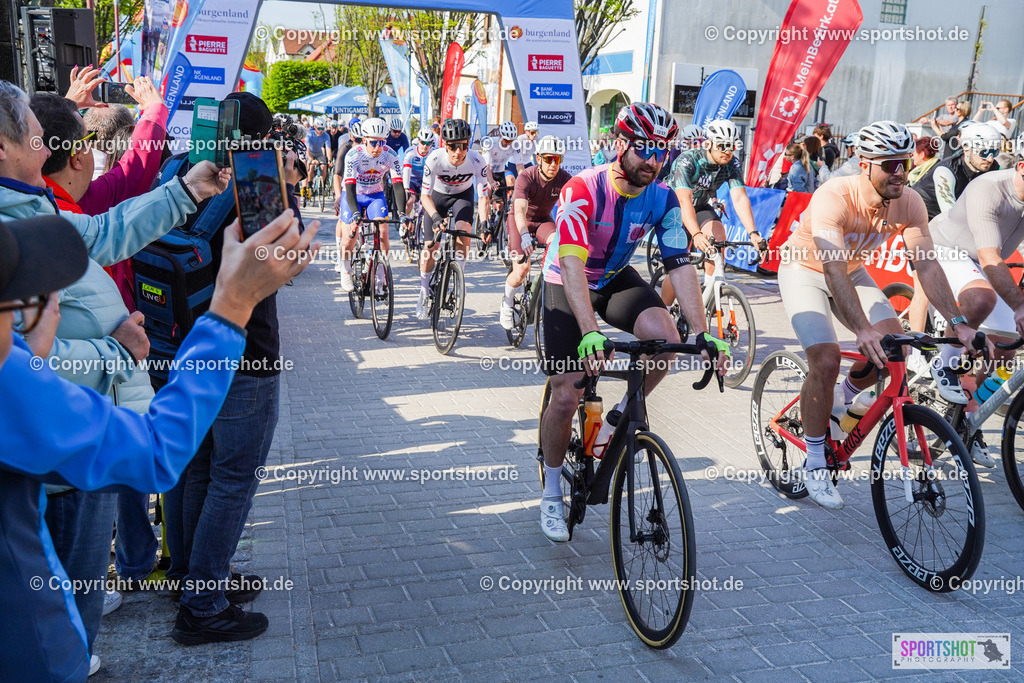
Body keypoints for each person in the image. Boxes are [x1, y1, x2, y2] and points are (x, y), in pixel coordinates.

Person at [0, 204, 318, 680]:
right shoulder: (14, 389)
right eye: (29, 297)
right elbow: (155, 453)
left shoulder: (17, 378)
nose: (53, 306)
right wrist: (232, 305)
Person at [537, 102, 728, 541]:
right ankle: (550, 493)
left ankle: (618, 417)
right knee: (567, 394)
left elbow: (679, 264)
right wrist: (590, 331)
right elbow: (571, 264)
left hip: (612, 277)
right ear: (621, 145)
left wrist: (703, 333)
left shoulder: (662, 197)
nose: (655, 161)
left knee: (665, 339)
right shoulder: (583, 189)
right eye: (645, 148)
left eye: (663, 151)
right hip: (566, 279)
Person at [160, 92, 309, 646]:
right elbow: (285, 260)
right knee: (233, 478)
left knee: (196, 466)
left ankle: (192, 576)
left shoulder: (178, 168)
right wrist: (285, 184)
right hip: (244, 347)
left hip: (181, 343)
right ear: (264, 137)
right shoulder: (256, 177)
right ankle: (203, 605)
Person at [777, 120, 987, 509]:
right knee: (826, 358)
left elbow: (926, 265)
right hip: (804, 270)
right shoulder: (834, 195)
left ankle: (842, 398)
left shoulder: (909, 201)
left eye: (904, 163)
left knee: (895, 350)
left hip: (852, 271)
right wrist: (861, 329)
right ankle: (816, 460)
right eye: (889, 165)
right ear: (865, 164)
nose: (900, 173)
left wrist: (959, 324)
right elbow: (832, 270)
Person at [922, 134, 1024, 465]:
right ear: (1022, 167)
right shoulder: (989, 188)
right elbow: (990, 257)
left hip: (981, 259)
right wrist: (1019, 305)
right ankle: (943, 363)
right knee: (981, 299)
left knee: (1008, 349)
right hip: (944, 248)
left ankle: (968, 418)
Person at [660, 118, 767, 306]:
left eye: (732, 146)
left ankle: (710, 296)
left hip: (700, 206)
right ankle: (664, 311)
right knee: (680, 266)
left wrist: (753, 233)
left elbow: (740, 198)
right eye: (722, 146)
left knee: (717, 240)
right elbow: (684, 201)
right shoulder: (688, 160)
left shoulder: (732, 164)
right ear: (709, 144)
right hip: (675, 208)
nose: (727, 151)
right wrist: (696, 234)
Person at [415, 118, 490, 320]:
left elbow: (483, 196)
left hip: (462, 196)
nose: (458, 151)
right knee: (430, 246)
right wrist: (435, 217)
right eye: (453, 146)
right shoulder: (434, 159)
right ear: (445, 145)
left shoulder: (477, 160)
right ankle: (424, 291)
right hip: (437, 197)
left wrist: (484, 224)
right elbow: (424, 196)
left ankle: (458, 277)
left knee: (463, 233)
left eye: (463, 146)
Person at [499, 135, 571, 330]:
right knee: (522, 269)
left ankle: (544, 286)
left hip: (543, 221)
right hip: (519, 222)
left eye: (557, 159)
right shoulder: (526, 177)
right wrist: (524, 235)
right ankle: (507, 303)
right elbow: (520, 211)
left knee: (558, 246)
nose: (553, 164)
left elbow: (577, 205)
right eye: (549, 159)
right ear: (539, 158)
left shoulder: (565, 179)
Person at [336, 117, 405, 292]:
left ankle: (381, 276)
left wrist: (403, 214)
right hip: (354, 195)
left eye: (382, 142)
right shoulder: (354, 155)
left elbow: (398, 185)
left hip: (375, 195)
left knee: (383, 231)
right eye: (373, 142)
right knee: (349, 235)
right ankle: (345, 269)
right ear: (365, 139)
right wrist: (355, 213)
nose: (377, 147)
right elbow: (349, 187)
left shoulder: (390, 155)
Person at [481, 121, 521, 221]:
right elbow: (486, 166)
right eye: (506, 140)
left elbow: (520, 166)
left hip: (500, 170)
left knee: (510, 183)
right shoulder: (490, 143)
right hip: (487, 170)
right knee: (489, 190)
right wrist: (491, 182)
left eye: (511, 141)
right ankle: (484, 220)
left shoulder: (515, 145)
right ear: (500, 135)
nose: (508, 143)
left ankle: (498, 220)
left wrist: (522, 182)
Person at [401, 129, 435, 236]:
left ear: (432, 144)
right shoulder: (411, 153)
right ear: (418, 141)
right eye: (422, 142)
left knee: (427, 202)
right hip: (411, 180)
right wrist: (406, 189)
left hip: (425, 181)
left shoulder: (434, 154)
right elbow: (406, 171)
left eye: (428, 143)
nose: (425, 146)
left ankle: (424, 222)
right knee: (410, 201)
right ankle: (405, 221)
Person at [302, 116, 330, 197]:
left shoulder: (326, 135)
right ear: (314, 127)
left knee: (324, 168)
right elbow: (307, 150)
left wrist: (329, 159)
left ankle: (321, 185)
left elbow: (328, 148)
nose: (321, 131)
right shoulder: (310, 135)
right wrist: (311, 160)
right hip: (310, 152)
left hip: (319, 153)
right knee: (310, 167)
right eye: (319, 128)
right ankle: (310, 184)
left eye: (323, 129)